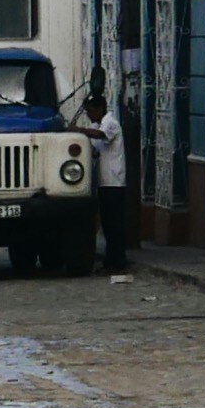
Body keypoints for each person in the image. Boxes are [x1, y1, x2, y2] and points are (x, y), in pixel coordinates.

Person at [80, 78, 133, 272]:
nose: (89, 115)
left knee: (115, 224)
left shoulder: (111, 123)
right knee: (108, 225)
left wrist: (79, 131)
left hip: (114, 181)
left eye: (90, 111)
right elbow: (95, 149)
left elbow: (100, 136)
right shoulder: (97, 126)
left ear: (100, 108)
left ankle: (117, 261)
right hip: (103, 182)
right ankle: (111, 261)